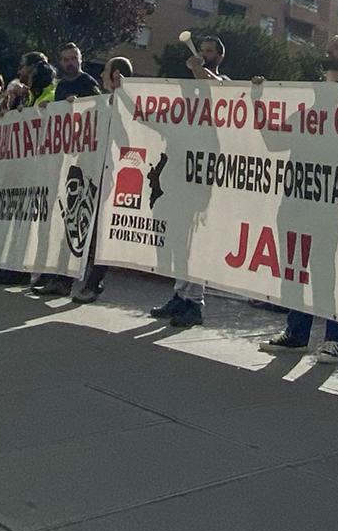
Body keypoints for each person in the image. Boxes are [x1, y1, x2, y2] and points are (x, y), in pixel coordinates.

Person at [261, 35, 338, 361]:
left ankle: (334, 337)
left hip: (326, 199)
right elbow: (275, 143)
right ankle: (296, 332)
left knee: (323, 269)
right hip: (294, 197)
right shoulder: (307, 109)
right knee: (293, 267)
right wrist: (257, 101)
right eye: (327, 48)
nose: (327, 52)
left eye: (335, 49)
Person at [149, 35, 224, 328]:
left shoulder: (223, 83)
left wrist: (196, 70)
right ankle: (180, 295)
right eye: (201, 51)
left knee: (195, 239)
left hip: (203, 171)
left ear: (219, 57)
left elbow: (213, 88)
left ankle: (196, 303)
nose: (204, 55)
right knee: (179, 236)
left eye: (209, 52)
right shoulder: (189, 92)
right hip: (180, 168)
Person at [72, 56, 135, 304]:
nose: (101, 76)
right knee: (92, 228)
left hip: (115, 176)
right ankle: (87, 279)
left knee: (102, 232)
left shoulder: (128, 104)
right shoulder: (105, 102)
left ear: (117, 75)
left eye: (106, 71)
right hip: (98, 173)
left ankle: (93, 281)